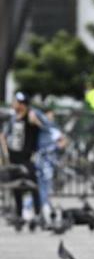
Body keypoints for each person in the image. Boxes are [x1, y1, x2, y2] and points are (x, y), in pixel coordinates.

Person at [2, 92, 45, 230]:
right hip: (14, 157)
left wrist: (36, 121)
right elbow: (4, 135)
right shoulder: (12, 119)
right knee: (16, 187)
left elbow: (43, 129)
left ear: (22, 104)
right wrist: (5, 153)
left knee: (33, 186)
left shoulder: (31, 117)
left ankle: (38, 215)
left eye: (16, 102)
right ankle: (19, 216)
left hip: (27, 158)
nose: (14, 104)